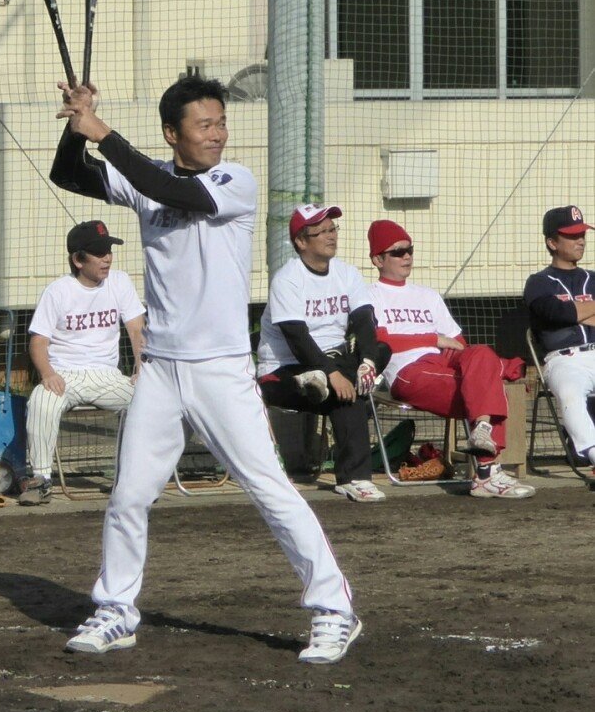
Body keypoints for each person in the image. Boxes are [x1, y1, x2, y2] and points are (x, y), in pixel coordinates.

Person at [50, 74, 361, 664]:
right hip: (162, 368)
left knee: (269, 490)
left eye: (220, 122)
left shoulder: (233, 180)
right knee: (129, 496)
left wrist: (105, 134)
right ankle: (116, 608)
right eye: (204, 124)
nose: (218, 133)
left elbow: (179, 195)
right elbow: (70, 174)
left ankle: (334, 609)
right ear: (173, 133)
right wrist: (78, 126)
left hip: (220, 369)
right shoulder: (149, 180)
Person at [367, 219, 534, 500]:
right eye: (397, 252)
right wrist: (432, 339)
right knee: (492, 384)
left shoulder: (427, 295)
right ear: (377, 259)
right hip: (408, 371)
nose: (406, 256)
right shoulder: (371, 294)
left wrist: (443, 345)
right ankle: (486, 473)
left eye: (410, 249)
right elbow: (384, 343)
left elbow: (460, 346)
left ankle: (482, 433)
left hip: (442, 362)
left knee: (481, 353)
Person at [256, 204, 390, 503]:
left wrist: (367, 362)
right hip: (285, 369)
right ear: (301, 242)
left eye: (332, 229)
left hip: (332, 363)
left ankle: (329, 380)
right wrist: (334, 374)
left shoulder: (346, 273)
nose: (331, 237)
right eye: (321, 232)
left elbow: (364, 321)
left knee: (380, 350)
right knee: (343, 392)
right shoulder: (287, 279)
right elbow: (297, 338)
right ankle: (355, 478)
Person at [21, 219, 146, 505]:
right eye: (99, 252)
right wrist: (47, 373)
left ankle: (131, 479)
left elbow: (137, 328)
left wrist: (141, 367)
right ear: (78, 259)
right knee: (41, 401)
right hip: (66, 375)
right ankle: (41, 478)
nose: (107, 258)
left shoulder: (120, 282)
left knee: (148, 398)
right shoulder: (58, 291)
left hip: (108, 375)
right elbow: (38, 342)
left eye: (109, 250)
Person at [524, 205, 595, 474]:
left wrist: (574, 314)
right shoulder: (540, 282)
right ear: (552, 242)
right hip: (565, 360)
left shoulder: (593, 278)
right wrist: (578, 312)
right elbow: (553, 312)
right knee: (571, 394)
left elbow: (565, 313)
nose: (580, 240)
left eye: (582, 235)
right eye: (572, 235)